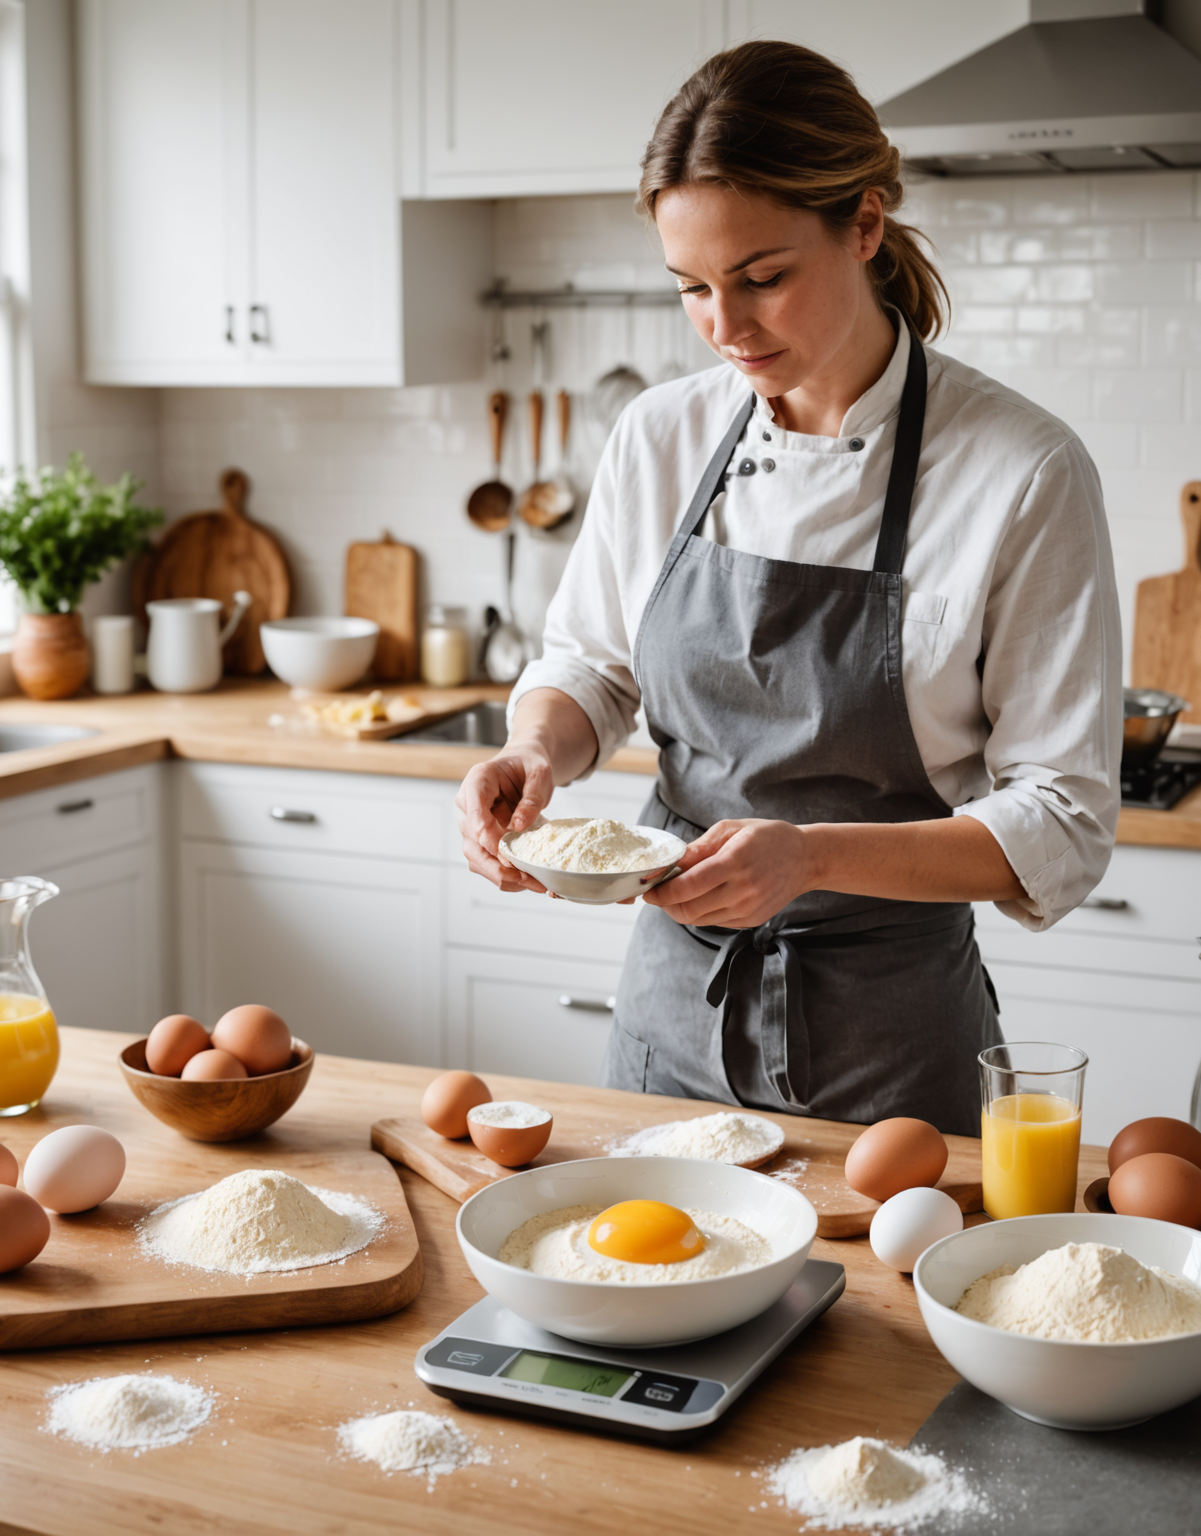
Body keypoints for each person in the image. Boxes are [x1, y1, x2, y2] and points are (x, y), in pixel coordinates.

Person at [454, 40, 1120, 1135]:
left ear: (864, 225)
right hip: (667, 1017)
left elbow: (1064, 819)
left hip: (887, 1051)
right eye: (692, 290)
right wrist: (536, 749)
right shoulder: (660, 434)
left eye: (762, 278)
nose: (726, 328)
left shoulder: (1022, 469)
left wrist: (808, 858)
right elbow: (591, 664)